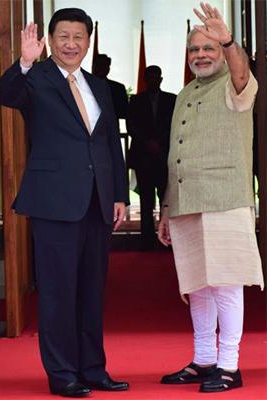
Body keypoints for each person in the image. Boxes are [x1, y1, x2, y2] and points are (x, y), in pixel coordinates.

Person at [0, 8, 129, 398]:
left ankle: (93, 369)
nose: (71, 44)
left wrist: (119, 193)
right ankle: (63, 374)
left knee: (91, 290)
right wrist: (23, 61)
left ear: (88, 41)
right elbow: (4, 95)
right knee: (57, 291)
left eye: (79, 37)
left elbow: (108, 144)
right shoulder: (35, 78)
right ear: (50, 40)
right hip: (55, 202)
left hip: (97, 202)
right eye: (63, 37)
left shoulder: (99, 86)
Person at [158, 2, 264, 393]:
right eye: (194, 49)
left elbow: (241, 71)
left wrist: (230, 41)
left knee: (225, 283)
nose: (200, 55)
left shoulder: (236, 85)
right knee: (197, 284)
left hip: (225, 198)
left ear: (222, 52)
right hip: (187, 200)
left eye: (209, 48)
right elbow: (175, 155)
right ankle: (204, 358)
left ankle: (229, 366)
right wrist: (167, 208)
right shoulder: (185, 93)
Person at [126, 66, 176, 250]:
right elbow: (132, 126)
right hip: (144, 157)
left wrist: (159, 142)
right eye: (150, 77)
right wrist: (148, 142)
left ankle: (168, 239)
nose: (154, 80)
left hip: (164, 156)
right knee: (146, 201)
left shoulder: (172, 100)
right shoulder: (136, 100)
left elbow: (174, 124)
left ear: (161, 79)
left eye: (157, 77)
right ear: (146, 79)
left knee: (167, 199)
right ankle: (146, 241)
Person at [92, 53, 128, 126]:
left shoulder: (118, 88)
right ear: (93, 67)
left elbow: (124, 112)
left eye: (104, 66)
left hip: (111, 130)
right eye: (99, 65)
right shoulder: (81, 86)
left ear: (108, 68)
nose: (101, 69)